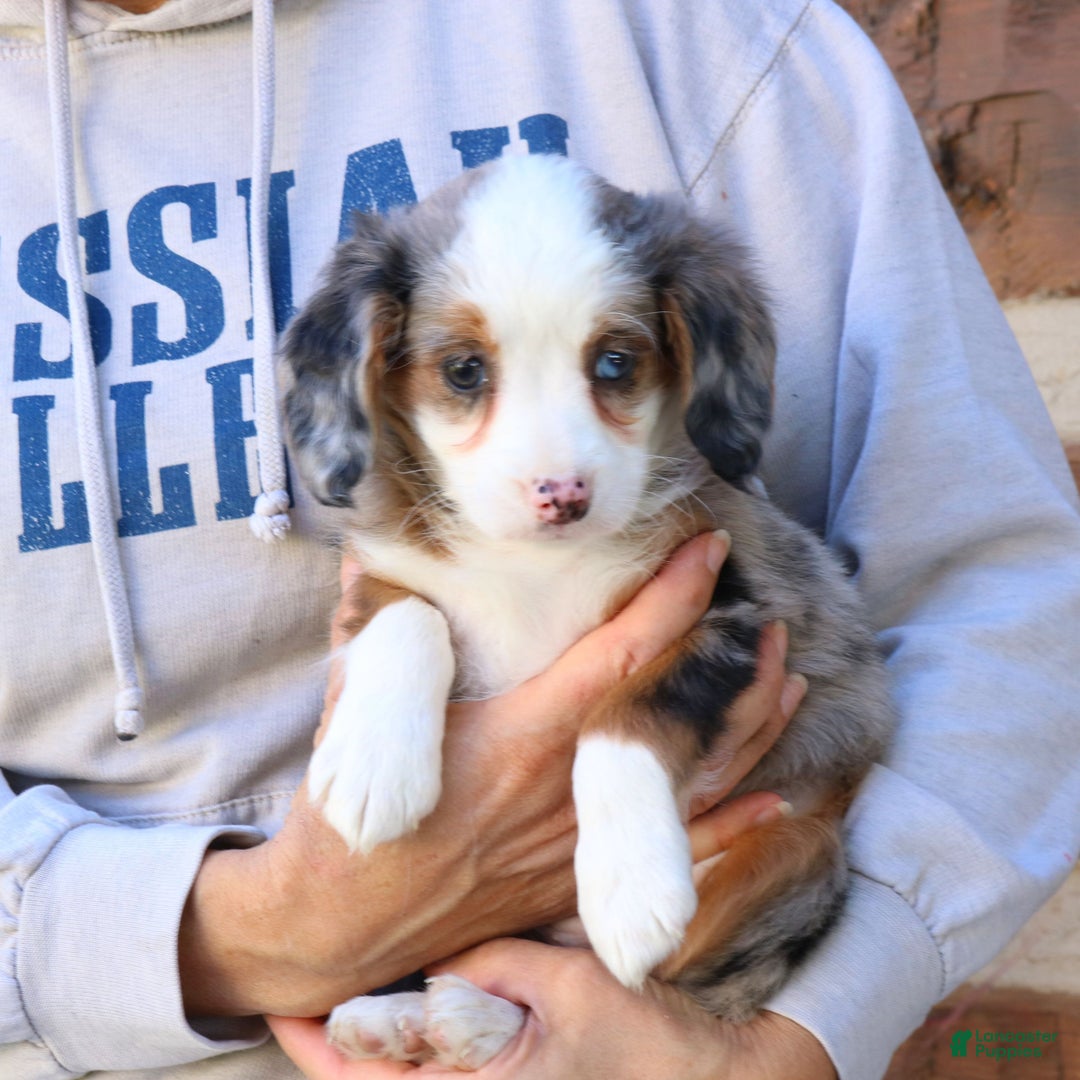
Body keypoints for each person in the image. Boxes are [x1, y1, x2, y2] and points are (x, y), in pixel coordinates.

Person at [1, 2, 1077, 1079]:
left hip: (689, 984)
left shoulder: (691, 37)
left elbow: (1011, 600)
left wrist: (773, 1048)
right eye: (464, 377)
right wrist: (258, 935)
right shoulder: (395, 470)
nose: (555, 471)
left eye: (617, 367)